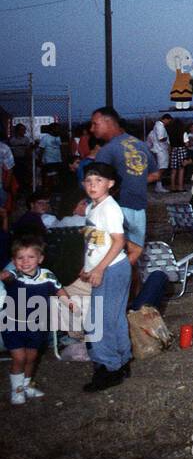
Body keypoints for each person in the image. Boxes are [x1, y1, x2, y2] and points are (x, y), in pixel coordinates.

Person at [79, 162, 133, 391]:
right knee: (114, 317)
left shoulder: (109, 208)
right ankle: (122, 360)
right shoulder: (92, 207)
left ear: (110, 184)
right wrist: (88, 267)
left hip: (112, 269)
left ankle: (108, 368)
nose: (93, 185)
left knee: (98, 321)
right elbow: (94, 242)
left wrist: (99, 269)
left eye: (98, 181)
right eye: (89, 181)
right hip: (105, 267)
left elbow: (119, 241)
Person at [1, 234, 73, 404]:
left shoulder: (47, 276)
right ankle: (16, 390)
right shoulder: (14, 275)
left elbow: (59, 290)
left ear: (40, 258)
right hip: (13, 324)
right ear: (14, 260)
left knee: (31, 358)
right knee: (19, 358)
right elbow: (5, 276)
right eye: (20, 258)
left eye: (31, 257)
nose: (25, 262)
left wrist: (70, 304)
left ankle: (27, 386)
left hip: (37, 324)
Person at [90, 107, 156, 269]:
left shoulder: (107, 151)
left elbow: (96, 185)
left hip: (116, 209)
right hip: (139, 208)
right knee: (135, 254)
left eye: (95, 124)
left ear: (108, 122)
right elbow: (155, 174)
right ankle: (135, 292)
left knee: (114, 256)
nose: (92, 129)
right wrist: (135, 181)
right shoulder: (139, 144)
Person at [147, 115, 172, 193]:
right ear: (165, 119)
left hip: (160, 149)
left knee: (161, 168)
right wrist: (167, 140)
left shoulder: (157, 126)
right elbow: (161, 138)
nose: (169, 123)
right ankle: (158, 185)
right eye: (169, 121)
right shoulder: (160, 127)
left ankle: (159, 185)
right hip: (161, 150)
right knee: (161, 168)